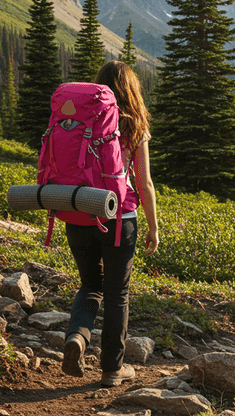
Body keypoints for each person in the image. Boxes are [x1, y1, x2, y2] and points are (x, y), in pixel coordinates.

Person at [63, 61, 160, 387]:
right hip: (120, 217)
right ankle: (111, 370)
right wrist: (153, 227)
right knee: (117, 293)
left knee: (90, 284)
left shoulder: (78, 117)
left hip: (77, 210)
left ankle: (77, 336)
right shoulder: (135, 125)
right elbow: (144, 183)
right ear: (132, 89)